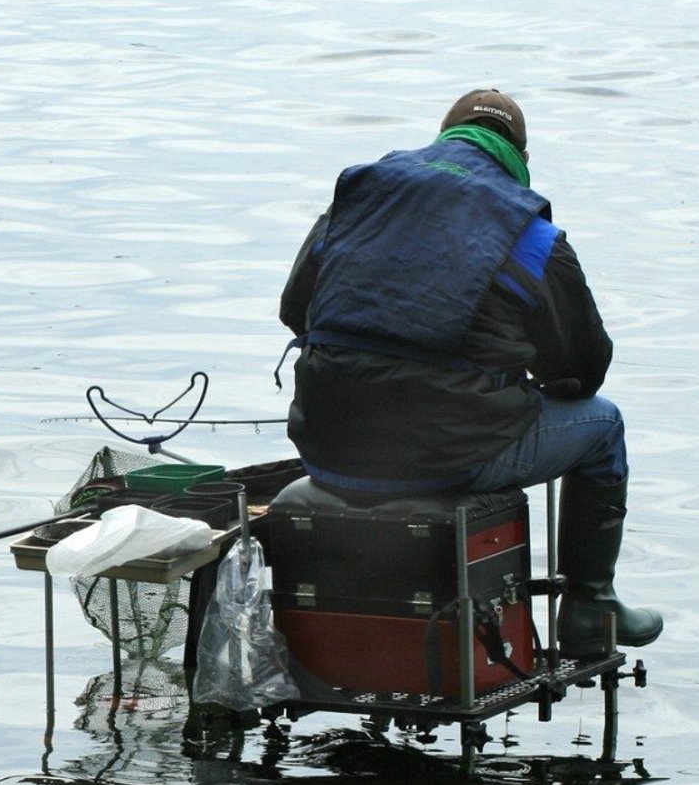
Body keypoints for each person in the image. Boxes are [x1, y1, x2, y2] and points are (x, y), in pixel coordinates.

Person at [277, 89, 662, 655]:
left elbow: (294, 311)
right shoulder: (529, 235)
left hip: (329, 448)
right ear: (519, 156)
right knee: (603, 426)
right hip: (449, 458)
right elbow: (583, 369)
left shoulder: (355, 203)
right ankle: (589, 608)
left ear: (444, 137)